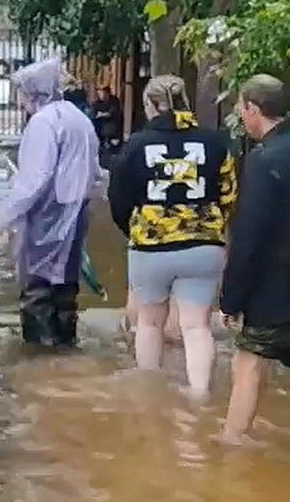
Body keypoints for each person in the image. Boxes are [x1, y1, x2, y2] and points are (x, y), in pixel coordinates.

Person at [107, 74, 237, 396]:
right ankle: (199, 396)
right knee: (196, 327)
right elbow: (229, 195)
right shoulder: (216, 142)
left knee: (149, 324)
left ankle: (151, 397)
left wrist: (136, 230)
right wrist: (210, 224)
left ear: (151, 105)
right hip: (203, 246)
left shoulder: (135, 145)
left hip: (150, 248)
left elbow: (118, 198)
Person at [219, 74, 290, 443]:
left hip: (273, 295)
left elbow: (248, 237)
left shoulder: (263, 160)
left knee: (248, 365)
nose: (241, 117)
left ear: (253, 109)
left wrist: (231, 299)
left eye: (241, 109)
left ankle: (231, 445)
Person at [0, 58, 101, 349]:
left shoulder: (43, 123)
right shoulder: (79, 119)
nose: (21, 101)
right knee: (64, 286)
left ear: (33, 93)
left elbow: (33, 182)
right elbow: (96, 173)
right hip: (75, 214)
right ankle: (66, 352)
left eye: (23, 94)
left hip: (46, 217)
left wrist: (0, 220)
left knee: (37, 287)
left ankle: (40, 362)